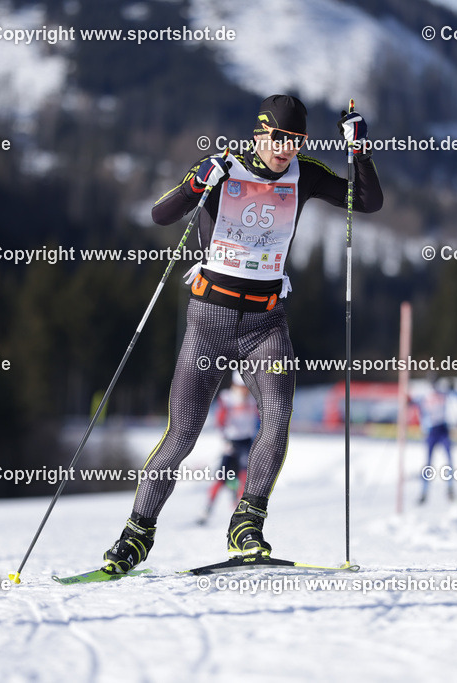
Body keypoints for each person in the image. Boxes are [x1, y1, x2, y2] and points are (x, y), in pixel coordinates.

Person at [102, 94, 383, 573]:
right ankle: (136, 536)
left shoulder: (306, 174)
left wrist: (359, 150)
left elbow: (368, 202)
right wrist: (196, 183)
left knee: (277, 414)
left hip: (264, 323)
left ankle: (247, 523)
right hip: (208, 321)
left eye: (296, 140)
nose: (286, 148)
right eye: (278, 138)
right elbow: (161, 215)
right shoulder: (225, 167)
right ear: (259, 134)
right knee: (182, 434)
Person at [197, 371, 259, 525]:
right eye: (240, 387)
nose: (243, 391)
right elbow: (219, 421)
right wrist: (225, 440)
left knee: (244, 476)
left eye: (246, 388)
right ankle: (207, 509)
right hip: (231, 442)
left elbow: (258, 420)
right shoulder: (227, 398)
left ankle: (241, 509)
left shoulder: (253, 399)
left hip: (246, 441)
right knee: (222, 476)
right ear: (234, 385)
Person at [411, 376, 457, 504]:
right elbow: (410, 402)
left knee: (449, 460)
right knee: (428, 463)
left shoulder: (442, 393)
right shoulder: (424, 395)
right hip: (431, 430)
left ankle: (450, 488)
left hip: (442, 429)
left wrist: (453, 387)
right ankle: (424, 491)